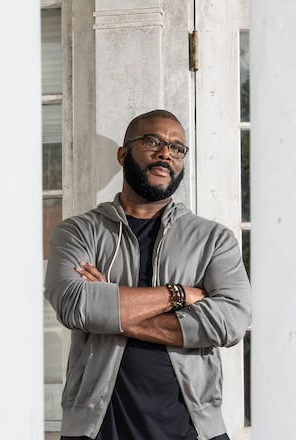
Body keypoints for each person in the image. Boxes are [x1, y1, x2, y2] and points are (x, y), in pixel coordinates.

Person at [44, 109, 252, 440]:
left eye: (177, 147)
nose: (165, 153)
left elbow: (229, 322)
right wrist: (179, 295)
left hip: (192, 429)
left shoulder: (214, 240)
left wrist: (109, 306)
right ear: (123, 153)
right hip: (97, 429)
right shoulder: (79, 232)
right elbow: (74, 305)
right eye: (153, 141)